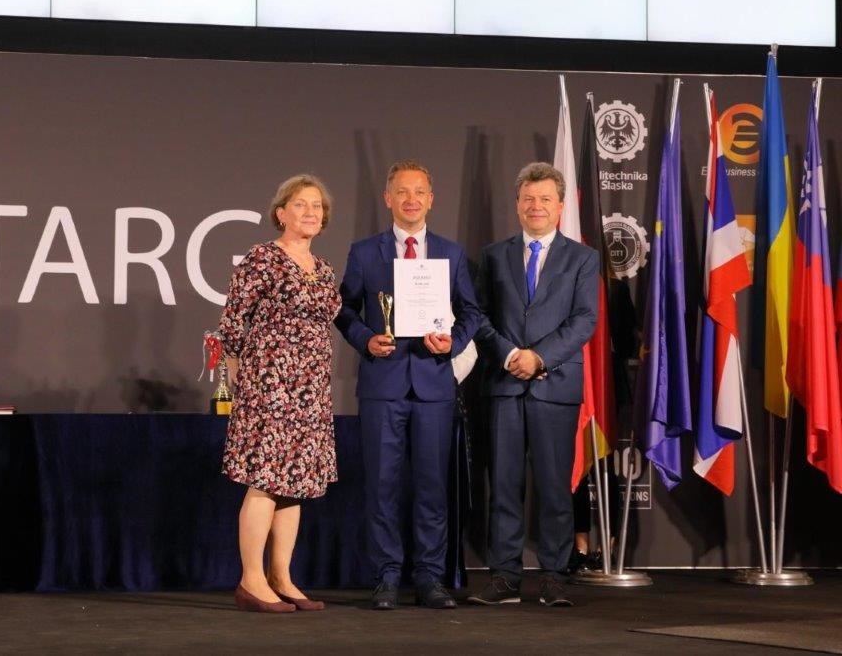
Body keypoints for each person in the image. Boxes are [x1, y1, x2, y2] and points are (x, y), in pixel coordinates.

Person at [336, 160, 482, 610]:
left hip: (434, 385)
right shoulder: (365, 253)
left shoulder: (451, 253)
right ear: (388, 198)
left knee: (432, 488)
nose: (411, 199)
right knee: (381, 487)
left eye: (419, 191)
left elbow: (472, 311)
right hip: (383, 384)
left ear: (431, 199)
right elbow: (344, 309)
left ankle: (430, 578)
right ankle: (385, 577)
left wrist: (452, 343)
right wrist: (366, 338)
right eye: (402, 191)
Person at [470, 162, 598, 608]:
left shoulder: (583, 258)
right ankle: (505, 576)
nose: (536, 206)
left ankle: (554, 576)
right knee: (504, 486)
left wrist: (539, 357)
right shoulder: (493, 255)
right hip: (503, 384)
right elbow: (478, 316)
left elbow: (585, 319)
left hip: (555, 386)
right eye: (528, 198)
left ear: (560, 206)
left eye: (545, 199)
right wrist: (510, 355)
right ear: (517, 205)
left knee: (554, 487)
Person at [219, 174, 341, 613]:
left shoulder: (324, 268)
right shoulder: (262, 259)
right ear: (281, 213)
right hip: (269, 385)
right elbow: (233, 321)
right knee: (266, 480)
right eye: (300, 204)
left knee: (296, 485)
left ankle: (281, 577)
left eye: (316, 206)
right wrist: (245, 378)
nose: (310, 212)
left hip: (311, 388)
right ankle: (251, 580)